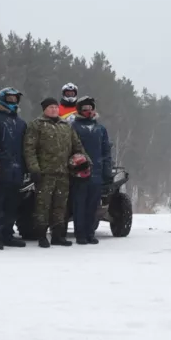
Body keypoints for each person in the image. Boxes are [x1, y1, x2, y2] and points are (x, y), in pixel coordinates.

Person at [23, 97, 89, 248]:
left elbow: (77, 146)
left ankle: (58, 235)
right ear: (44, 109)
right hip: (45, 173)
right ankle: (41, 235)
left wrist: (85, 163)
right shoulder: (36, 125)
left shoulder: (66, 126)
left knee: (61, 205)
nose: (53, 110)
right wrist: (33, 168)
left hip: (64, 172)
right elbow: (29, 149)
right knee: (43, 205)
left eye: (55, 107)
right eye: (50, 107)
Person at [0, 87, 28, 250]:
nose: (12, 101)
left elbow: (26, 146)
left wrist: (26, 167)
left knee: (12, 204)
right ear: (3, 99)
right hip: (0, 167)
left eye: (15, 99)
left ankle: (8, 234)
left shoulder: (21, 123)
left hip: (17, 169)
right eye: (9, 98)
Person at [69, 96, 112, 244]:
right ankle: (80, 234)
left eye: (90, 108)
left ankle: (90, 232)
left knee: (93, 205)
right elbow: (69, 149)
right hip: (79, 172)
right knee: (79, 204)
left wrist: (107, 170)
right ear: (79, 110)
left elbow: (106, 150)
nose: (88, 111)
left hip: (97, 173)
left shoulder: (100, 129)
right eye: (85, 108)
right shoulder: (74, 127)